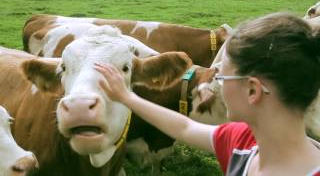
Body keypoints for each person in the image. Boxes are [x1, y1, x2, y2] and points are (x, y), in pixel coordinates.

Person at [94, 12, 320, 176]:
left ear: (252, 90)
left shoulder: (243, 144)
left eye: (219, 78)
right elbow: (184, 128)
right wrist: (127, 97)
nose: (213, 85)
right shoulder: (243, 139)